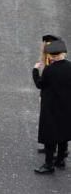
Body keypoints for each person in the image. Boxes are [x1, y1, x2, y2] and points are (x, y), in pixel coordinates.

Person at [32, 38, 71, 173]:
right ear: (64, 54)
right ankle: (60, 160)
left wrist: (35, 71)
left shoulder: (49, 70)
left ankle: (49, 165)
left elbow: (39, 84)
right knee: (63, 133)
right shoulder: (70, 67)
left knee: (50, 136)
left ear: (51, 56)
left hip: (51, 107)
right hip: (66, 107)